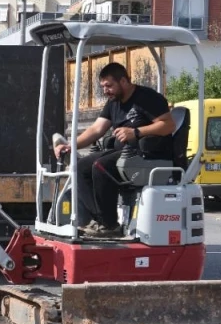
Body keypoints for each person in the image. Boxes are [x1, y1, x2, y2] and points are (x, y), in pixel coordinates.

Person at [53, 62, 176, 237]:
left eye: (109, 86)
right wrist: (71, 146)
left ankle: (109, 225)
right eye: (103, 86)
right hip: (123, 154)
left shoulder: (148, 98)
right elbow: (96, 130)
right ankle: (100, 221)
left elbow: (169, 125)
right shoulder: (113, 103)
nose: (105, 91)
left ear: (124, 81)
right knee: (81, 167)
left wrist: (136, 132)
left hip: (146, 156)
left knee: (100, 166)